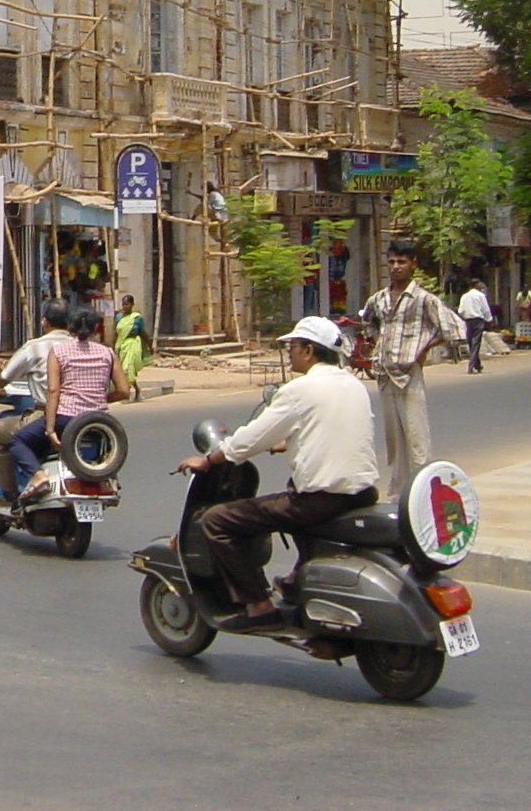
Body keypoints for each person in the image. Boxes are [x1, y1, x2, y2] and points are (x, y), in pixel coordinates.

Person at [177, 315, 379, 631]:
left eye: (293, 347)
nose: (289, 353)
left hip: (322, 500)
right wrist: (290, 442)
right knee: (294, 487)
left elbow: (249, 439)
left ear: (309, 351)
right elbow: (333, 427)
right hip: (363, 492)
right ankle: (299, 574)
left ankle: (258, 605)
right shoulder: (353, 383)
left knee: (218, 520)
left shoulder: (299, 389)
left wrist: (210, 461)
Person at [361, 241, 461, 496]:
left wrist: (423, 347)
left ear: (413, 264)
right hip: (385, 375)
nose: (396, 267)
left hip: (409, 374)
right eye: (392, 262)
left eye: (402, 262)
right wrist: (378, 343)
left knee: (416, 439)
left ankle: (424, 494)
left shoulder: (424, 299)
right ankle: (398, 494)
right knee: (394, 441)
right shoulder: (379, 299)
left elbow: (455, 329)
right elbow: (368, 323)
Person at [9, 302, 130, 502]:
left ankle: (38, 478)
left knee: (18, 441)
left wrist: (49, 429)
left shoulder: (59, 352)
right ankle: (109, 478)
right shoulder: (108, 353)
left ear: (70, 327)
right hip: (98, 421)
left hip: (66, 419)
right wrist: (102, 398)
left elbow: (53, 390)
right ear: (95, 328)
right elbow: (124, 391)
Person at [0, 299, 69, 506]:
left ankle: (10, 495)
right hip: (85, 418)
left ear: (45, 322)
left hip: (49, 415)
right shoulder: (83, 348)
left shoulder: (36, 347)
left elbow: (6, 375)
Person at [113, 294, 148, 401]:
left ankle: (126, 393)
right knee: (126, 370)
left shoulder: (137, 318)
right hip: (122, 345)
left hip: (133, 344)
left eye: (127, 304)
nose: (125, 306)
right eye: (123, 304)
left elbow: (143, 332)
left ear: (132, 305)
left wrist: (149, 346)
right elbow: (115, 333)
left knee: (127, 367)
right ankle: (137, 389)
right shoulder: (118, 317)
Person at [457, 278, 493, 374]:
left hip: (468, 321)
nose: (481, 286)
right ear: (476, 285)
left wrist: (465, 317)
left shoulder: (465, 296)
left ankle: (477, 365)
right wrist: (489, 320)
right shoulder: (480, 295)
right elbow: (485, 309)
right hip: (478, 320)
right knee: (475, 343)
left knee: (471, 343)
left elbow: (460, 311)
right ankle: (471, 366)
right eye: (480, 284)